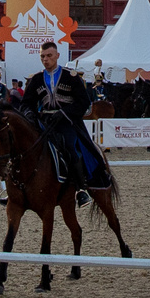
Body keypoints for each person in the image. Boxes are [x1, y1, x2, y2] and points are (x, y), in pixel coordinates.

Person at [23, 41, 109, 203]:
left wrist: (64, 113)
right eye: (42, 56)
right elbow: (26, 103)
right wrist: (31, 114)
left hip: (66, 122)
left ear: (57, 56)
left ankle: (80, 188)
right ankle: (19, 189)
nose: (45, 59)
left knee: (70, 147)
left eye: (49, 56)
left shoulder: (72, 77)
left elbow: (83, 102)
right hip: (44, 122)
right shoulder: (36, 79)